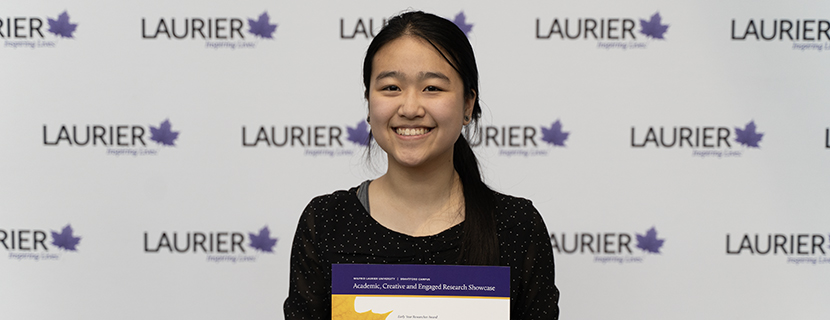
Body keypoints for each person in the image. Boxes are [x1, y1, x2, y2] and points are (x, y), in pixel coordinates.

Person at [284, 11, 559, 319]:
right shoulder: (326, 222)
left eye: (432, 88)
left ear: (468, 105)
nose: (410, 108)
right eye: (391, 87)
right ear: (368, 102)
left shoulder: (517, 226)